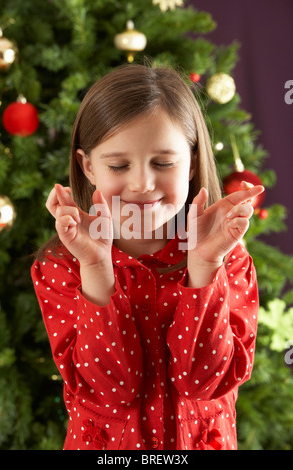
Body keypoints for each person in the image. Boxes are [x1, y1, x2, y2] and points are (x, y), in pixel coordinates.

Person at [31, 64, 264, 450]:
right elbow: (109, 390)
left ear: (191, 162)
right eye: (119, 165)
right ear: (88, 166)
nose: (141, 184)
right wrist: (95, 266)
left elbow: (204, 382)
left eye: (163, 163)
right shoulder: (61, 267)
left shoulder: (230, 261)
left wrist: (204, 267)